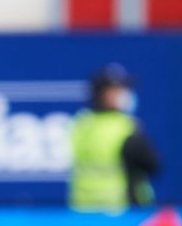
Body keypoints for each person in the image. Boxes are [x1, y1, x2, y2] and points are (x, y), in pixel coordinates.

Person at [68, 63, 159, 213]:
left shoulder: (80, 123)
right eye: (119, 89)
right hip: (120, 211)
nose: (126, 94)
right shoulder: (125, 127)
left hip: (82, 212)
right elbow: (153, 165)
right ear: (104, 94)